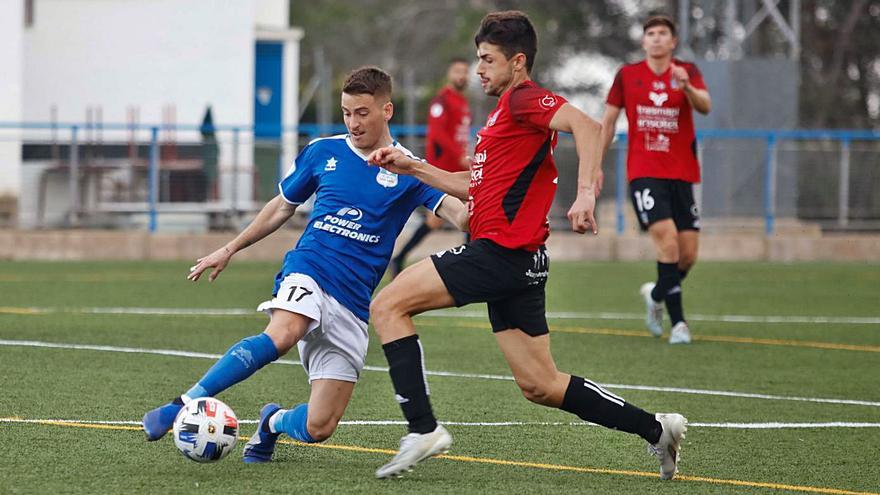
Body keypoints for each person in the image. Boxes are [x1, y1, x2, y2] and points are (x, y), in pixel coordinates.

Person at [367, 11, 687, 481]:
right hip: (521, 263)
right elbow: (469, 186)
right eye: (478, 59)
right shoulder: (502, 116)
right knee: (541, 385)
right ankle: (657, 428)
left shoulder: (524, 100)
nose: (479, 69)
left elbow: (587, 124)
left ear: (518, 62)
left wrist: (585, 194)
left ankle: (422, 429)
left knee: (387, 306)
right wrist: (411, 166)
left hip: (500, 254)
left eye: (487, 59)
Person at [141, 67, 467, 463]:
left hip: (353, 300)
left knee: (319, 426)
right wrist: (230, 248)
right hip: (310, 267)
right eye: (347, 112)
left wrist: (497, 183)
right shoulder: (323, 152)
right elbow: (281, 205)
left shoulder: (409, 168)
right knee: (284, 331)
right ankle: (181, 404)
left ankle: (271, 423)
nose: (353, 122)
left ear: (387, 110)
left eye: (362, 113)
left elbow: (462, 215)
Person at [601, 15, 712, 345]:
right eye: (651, 33)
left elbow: (706, 106)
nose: (657, 38)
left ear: (673, 41)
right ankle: (679, 324)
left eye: (663, 33)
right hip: (644, 171)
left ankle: (657, 293)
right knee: (668, 241)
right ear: (643, 41)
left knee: (688, 255)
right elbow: (608, 121)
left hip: (682, 173)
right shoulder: (627, 75)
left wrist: (687, 87)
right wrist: (595, 165)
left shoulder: (686, 72)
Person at [390, 57, 472, 277]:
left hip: (459, 171)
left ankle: (399, 259)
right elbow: (438, 135)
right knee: (458, 218)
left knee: (468, 215)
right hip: (444, 171)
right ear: (449, 73)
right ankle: (399, 258)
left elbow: (458, 136)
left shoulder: (462, 102)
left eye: (465, 71)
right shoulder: (442, 101)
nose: (461, 76)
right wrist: (460, 156)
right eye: (457, 71)